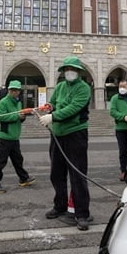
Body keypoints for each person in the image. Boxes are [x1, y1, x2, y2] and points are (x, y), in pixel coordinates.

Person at [38, 56, 92, 231]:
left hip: (76, 134)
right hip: (57, 135)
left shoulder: (84, 88)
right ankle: (60, 205)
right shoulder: (60, 87)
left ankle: (82, 213)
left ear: (78, 71)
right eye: (67, 69)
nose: (70, 72)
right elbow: (54, 103)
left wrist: (52, 116)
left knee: (77, 174)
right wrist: (49, 107)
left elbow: (73, 108)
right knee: (56, 173)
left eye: (73, 69)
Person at [0, 80, 35, 194]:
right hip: (5, 137)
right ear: (9, 90)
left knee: (18, 160)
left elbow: (19, 118)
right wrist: (17, 116)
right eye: (12, 90)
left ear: (19, 91)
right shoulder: (3, 102)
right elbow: (2, 118)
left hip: (14, 137)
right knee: (1, 161)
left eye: (16, 90)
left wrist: (23, 117)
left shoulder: (18, 102)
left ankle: (24, 178)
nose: (14, 92)